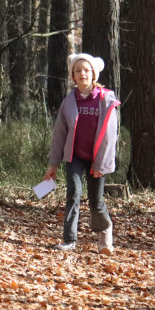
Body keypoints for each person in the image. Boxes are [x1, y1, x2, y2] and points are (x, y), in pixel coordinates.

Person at [43, 53, 121, 253]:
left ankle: (105, 237)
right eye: (77, 71)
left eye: (86, 70)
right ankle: (69, 240)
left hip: (97, 160)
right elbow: (59, 134)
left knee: (96, 202)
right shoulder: (69, 101)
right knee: (73, 194)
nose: (82, 74)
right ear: (73, 76)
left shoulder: (105, 100)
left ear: (93, 73)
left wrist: (101, 165)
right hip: (75, 156)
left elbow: (110, 136)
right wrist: (53, 164)